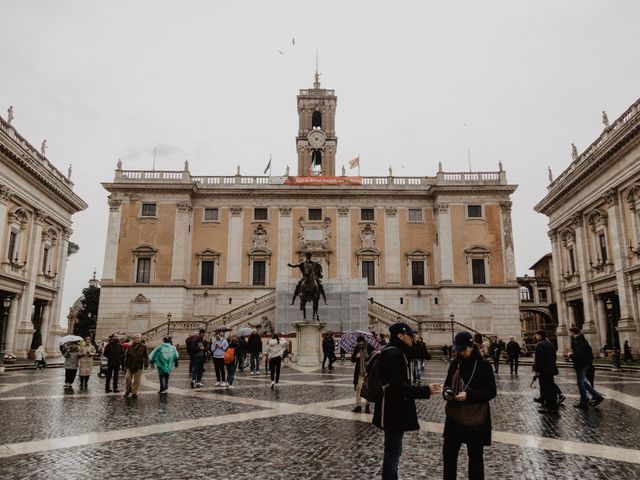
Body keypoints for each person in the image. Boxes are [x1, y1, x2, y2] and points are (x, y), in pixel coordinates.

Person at [372, 322, 440, 480]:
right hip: (394, 410)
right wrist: (425, 390)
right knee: (392, 453)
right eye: (410, 335)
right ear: (400, 336)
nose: (413, 338)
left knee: (393, 451)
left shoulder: (389, 350)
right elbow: (398, 388)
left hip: (390, 407)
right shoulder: (395, 355)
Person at [442, 331, 497, 480]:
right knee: (448, 455)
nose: (460, 352)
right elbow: (447, 384)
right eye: (458, 349)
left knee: (475, 457)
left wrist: (470, 395)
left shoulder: (484, 365)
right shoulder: (455, 363)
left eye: (463, 349)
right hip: (454, 416)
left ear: (471, 346)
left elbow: (492, 392)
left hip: (475, 418)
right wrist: (447, 392)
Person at [568, 327, 604, 409]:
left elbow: (578, 354)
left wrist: (570, 355)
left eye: (570, 333)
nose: (569, 334)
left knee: (581, 383)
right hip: (586, 363)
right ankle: (595, 397)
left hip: (580, 364)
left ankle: (586, 401)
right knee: (582, 383)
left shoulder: (576, 342)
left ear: (573, 332)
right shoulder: (583, 340)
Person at [533, 330, 559, 414]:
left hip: (544, 370)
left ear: (540, 336)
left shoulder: (540, 345)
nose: (536, 337)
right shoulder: (549, 344)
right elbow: (554, 357)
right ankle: (553, 404)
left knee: (546, 388)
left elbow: (539, 360)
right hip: (550, 369)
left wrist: (537, 371)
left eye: (536, 335)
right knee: (551, 387)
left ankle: (549, 407)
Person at [351, 336, 374, 413]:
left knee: (368, 388)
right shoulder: (357, 348)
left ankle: (367, 405)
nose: (359, 344)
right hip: (359, 371)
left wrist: (368, 359)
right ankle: (358, 406)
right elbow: (352, 360)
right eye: (358, 343)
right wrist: (356, 357)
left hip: (368, 371)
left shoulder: (370, 347)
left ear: (363, 341)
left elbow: (374, 358)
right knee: (358, 388)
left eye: (360, 342)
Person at [123, 333, 148, 398]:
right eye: (135, 338)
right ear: (133, 339)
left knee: (137, 380)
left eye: (138, 338)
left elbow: (146, 356)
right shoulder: (130, 347)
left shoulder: (144, 346)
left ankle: (134, 392)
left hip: (138, 365)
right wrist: (125, 365)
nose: (137, 339)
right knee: (127, 378)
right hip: (130, 365)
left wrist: (146, 364)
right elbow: (127, 356)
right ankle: (128, 390)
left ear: (140, 338)